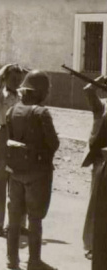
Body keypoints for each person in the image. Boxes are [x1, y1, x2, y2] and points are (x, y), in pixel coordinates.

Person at [5, 70, 59, 270]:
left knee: (14, 218)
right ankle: (34, 261)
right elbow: (53, 143)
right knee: (35, 218)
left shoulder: (12, 111)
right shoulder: (41, 113)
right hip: (37, 172)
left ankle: (12, 260)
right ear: (39, 92)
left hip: (16, 171)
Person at [0, 64, 25, 236]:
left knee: (19, 181)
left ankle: (17, 224)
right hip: (5, 135)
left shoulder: (23, 95)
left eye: (19, 79)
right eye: (13, 78)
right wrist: (7, 66)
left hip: (20, 137)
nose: (17, 82)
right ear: (6, 78)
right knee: (0, 181)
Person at [80, 75, 107, 261]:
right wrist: (102, 78)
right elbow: (88, 90)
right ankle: (90, 243)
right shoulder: (102, 105)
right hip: (102, 160)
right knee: (96, 204)